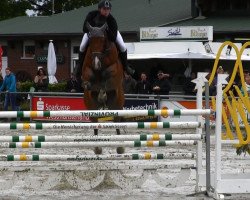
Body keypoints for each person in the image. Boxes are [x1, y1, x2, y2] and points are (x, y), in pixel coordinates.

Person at [76, 0, 134, 80]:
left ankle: (126, 67)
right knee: (82, 46)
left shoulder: (112, 20)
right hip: (92, 34)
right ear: (100, 9)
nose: (106, 11)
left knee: (122, 46)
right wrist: (93, 30)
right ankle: (79, 66)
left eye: (108, 9)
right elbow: (84, 29)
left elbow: (113, 38)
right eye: (104, 9)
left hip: (110, 34)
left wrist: (107, 30)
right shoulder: (92, 15)